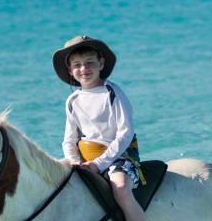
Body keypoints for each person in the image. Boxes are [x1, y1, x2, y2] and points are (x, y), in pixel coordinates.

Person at [54, 35, 145, 221]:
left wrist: (99, 164)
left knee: (120, 189)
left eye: (89, 63)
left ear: (101, 63)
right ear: (70, 70)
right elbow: (69, 140)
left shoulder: (113, 93)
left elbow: (125, 133)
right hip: (85, 159)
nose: (84, 69)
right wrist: (74, 162)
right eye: (77, 65)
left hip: (119, 157)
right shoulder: (72, 101)